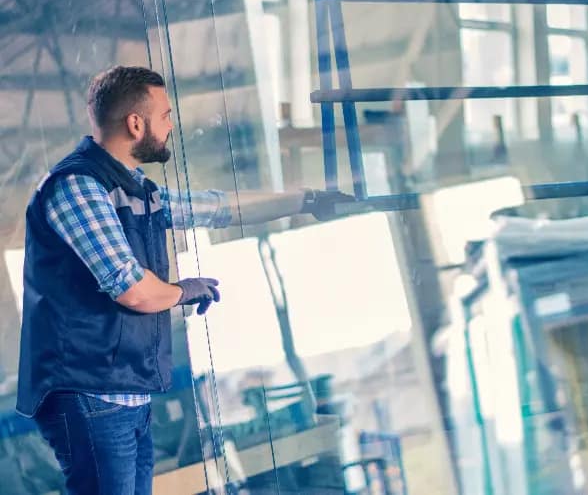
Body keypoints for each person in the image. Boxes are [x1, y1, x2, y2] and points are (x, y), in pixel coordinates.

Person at [16, 66, 353, 494]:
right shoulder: (78, 187)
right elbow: (130, 287)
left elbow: (216, 207)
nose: (172, 124)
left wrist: (303, 199)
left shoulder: (135, 189)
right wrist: (183, 290)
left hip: (122, 391)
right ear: (136, 123)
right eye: (166, 114)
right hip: (90, 395)